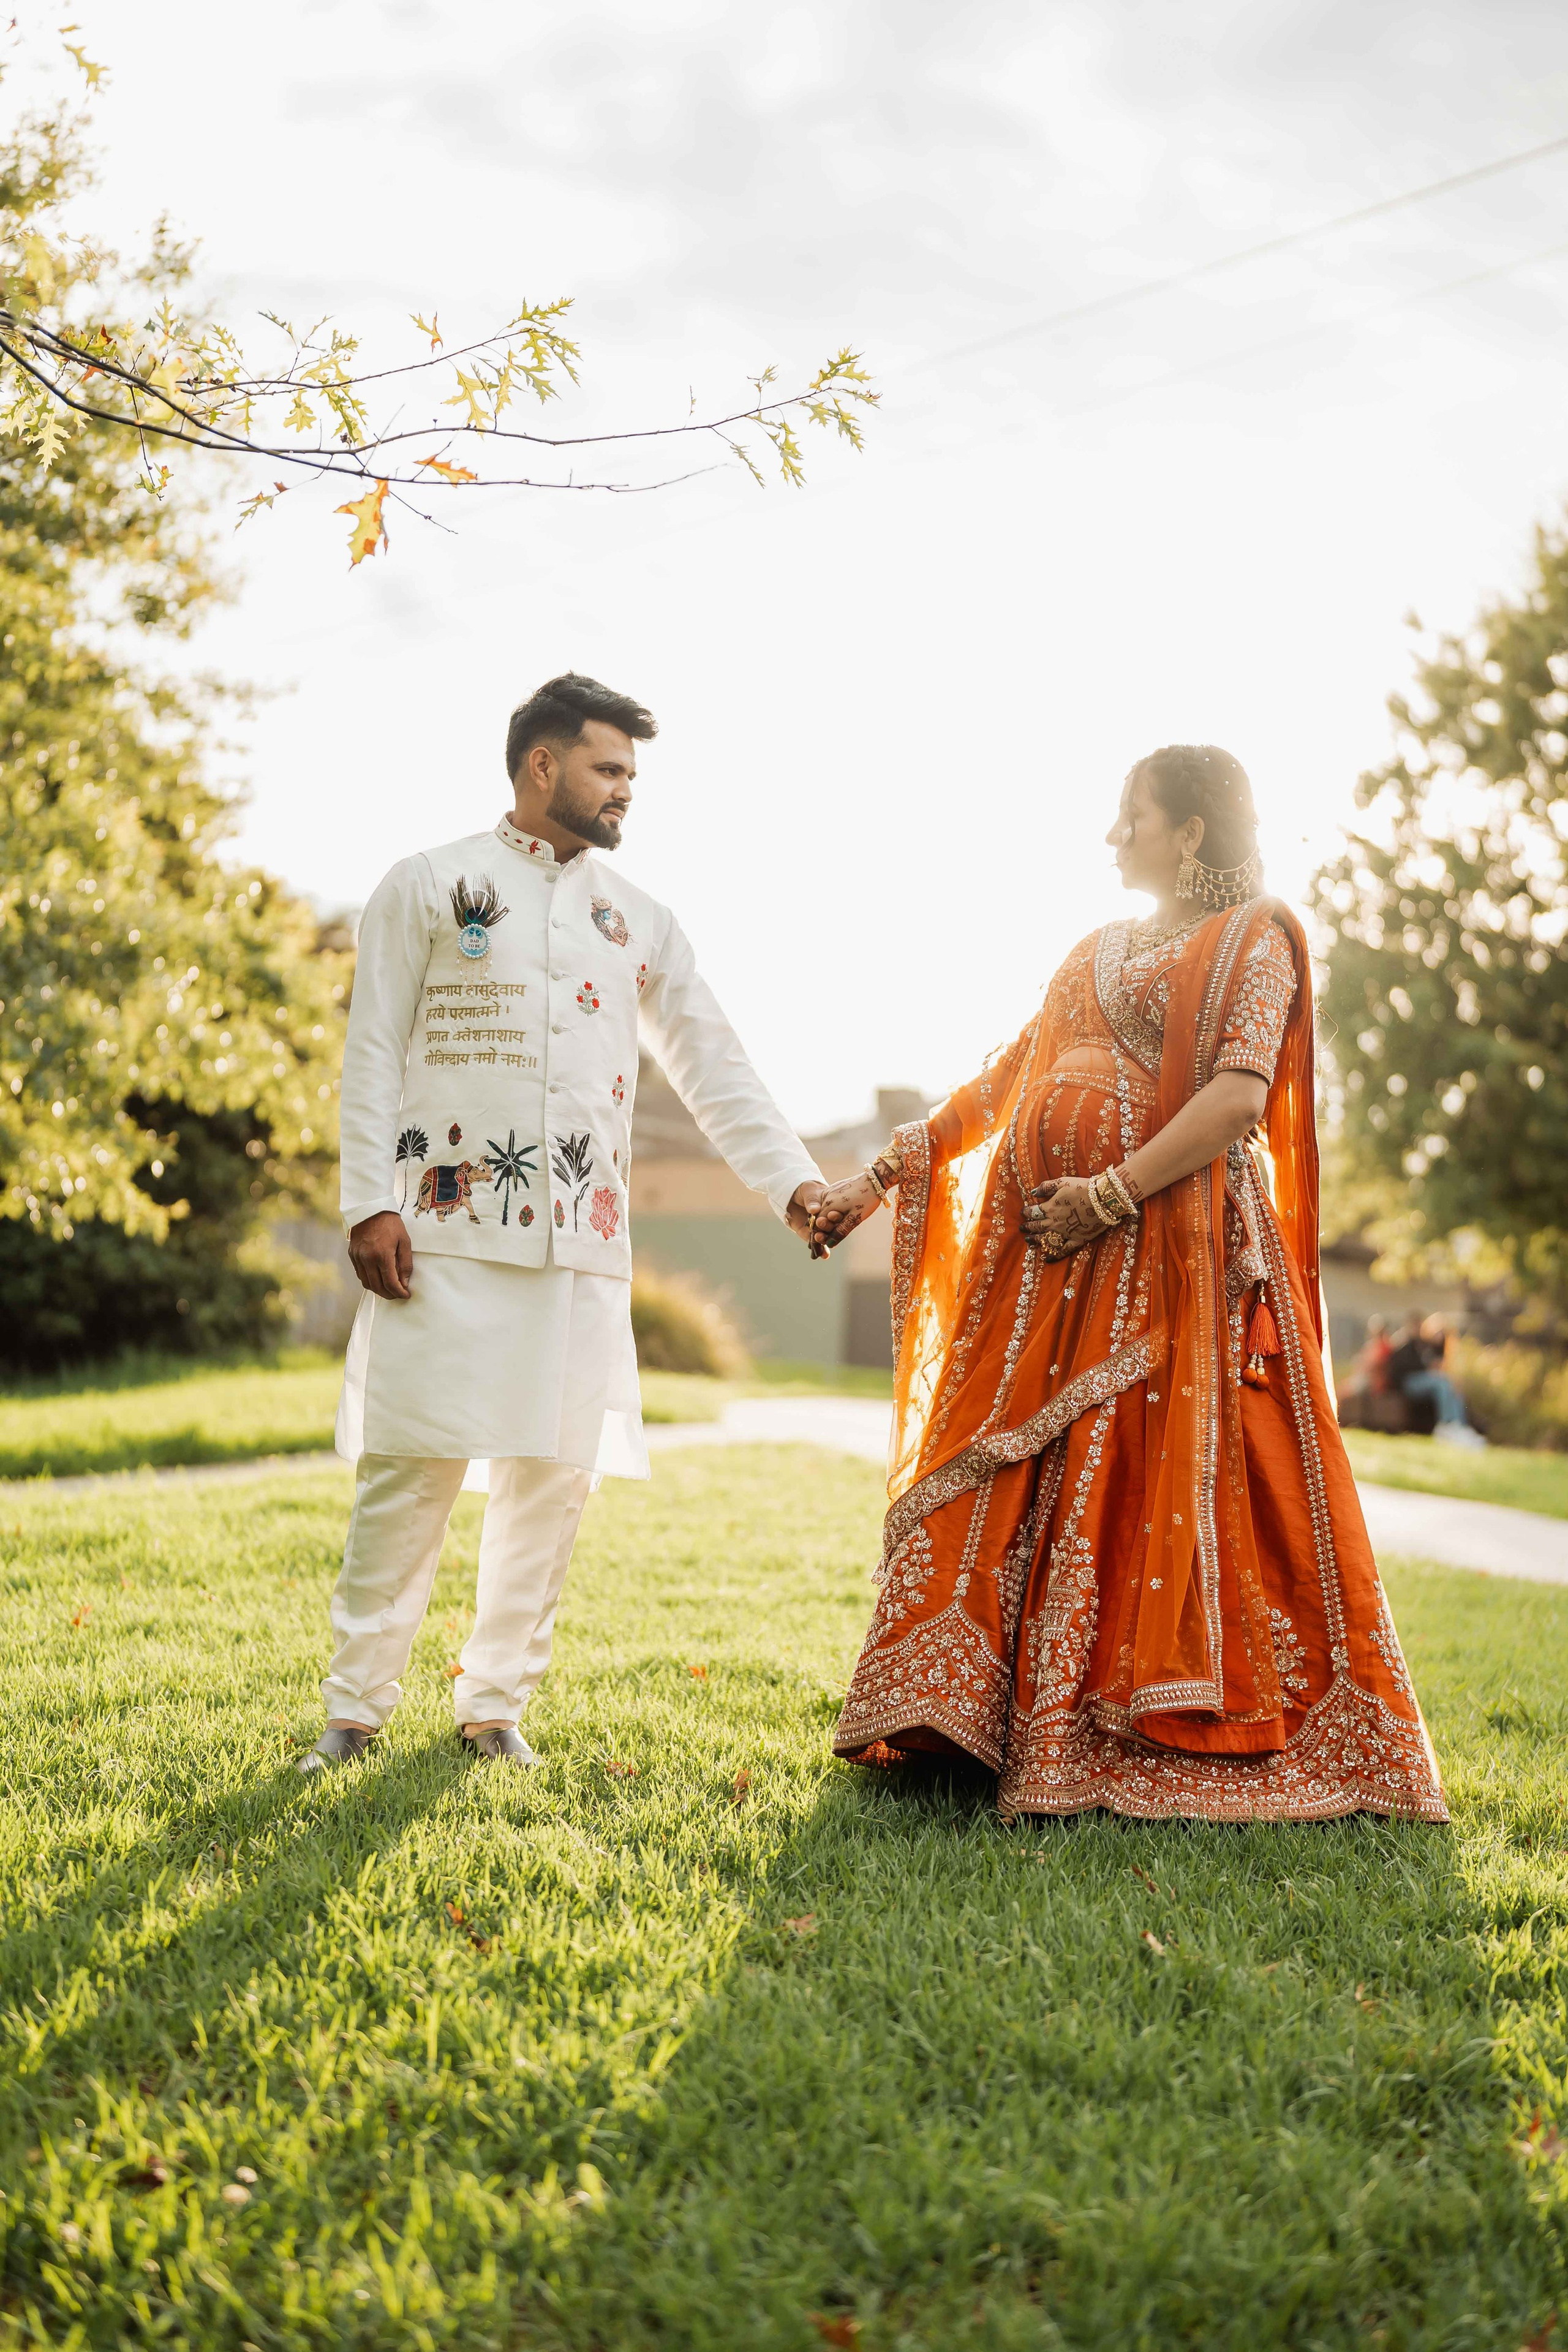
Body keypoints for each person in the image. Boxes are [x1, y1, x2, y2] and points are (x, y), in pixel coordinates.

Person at [810, 744, 1446, 1823]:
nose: (1114, 835)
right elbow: (1009, 1076)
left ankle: (1132, 1736)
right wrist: (874, 1179)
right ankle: (961, 1722)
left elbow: (1239, 1099)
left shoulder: (1256, 940)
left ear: (1191, 831)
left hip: (1171, 1252)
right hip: (1049, 1260)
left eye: (1132, 815)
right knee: (1009, 1461)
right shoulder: (1095, 948)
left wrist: (1109, 1193)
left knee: (1143, 1467)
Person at [296, 673, 826, 1774]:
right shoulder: (430, 884)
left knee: (551, 1483)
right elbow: (373, 1053)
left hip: (580, 1241)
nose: (626, 791)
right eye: (609, 767)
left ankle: (493, 1711)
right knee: (410, 1473)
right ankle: (354, 1714)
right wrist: (369, 1203)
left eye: (631, 772)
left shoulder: (640, 921)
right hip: (439, 1235)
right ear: (544, 765)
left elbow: (715, 1067)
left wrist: (795, 1189)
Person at [1389, 1314, 1484, 1447]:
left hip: (1426, 1381)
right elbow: (1400, 1369)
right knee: (1442, 1383)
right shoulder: (1405, 1343)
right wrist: (1427, 1369)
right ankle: (1446, 1426)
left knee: (1452, 1385)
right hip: (1408, 1383)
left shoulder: (1427, 1346)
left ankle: (1460, 1426)